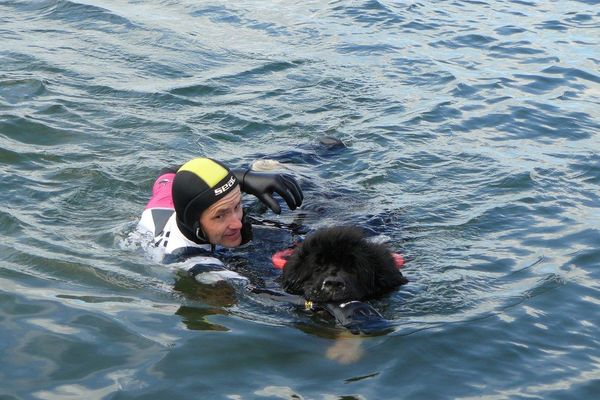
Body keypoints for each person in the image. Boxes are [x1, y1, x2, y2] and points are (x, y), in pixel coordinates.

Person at [137, 157, 303, 282]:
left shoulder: (163, 201)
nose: (237, 223)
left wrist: (244, 178)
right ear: (195, 223)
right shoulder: (195, 263)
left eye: (237, 206)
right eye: (220, 215)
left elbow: (172, 170)